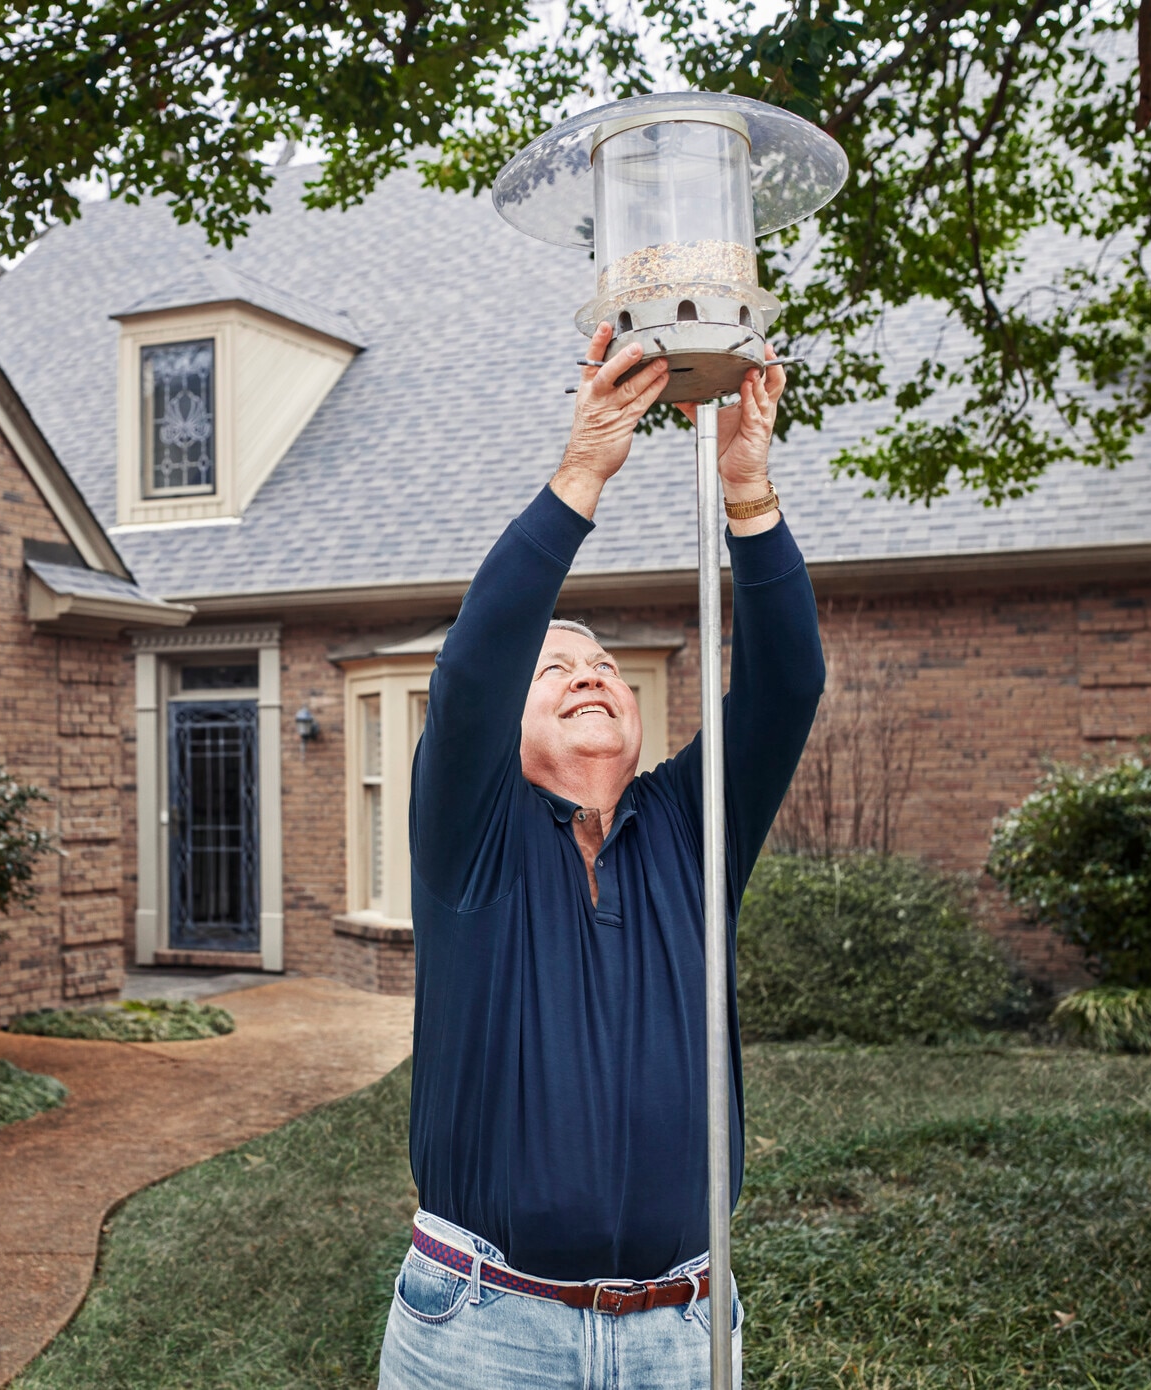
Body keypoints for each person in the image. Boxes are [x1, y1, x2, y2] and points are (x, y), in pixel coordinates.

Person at [379, 324, 825, 1388]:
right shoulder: (470, 838)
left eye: (607, 665)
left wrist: (747, 493)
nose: (589, 674)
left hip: (685, 1329)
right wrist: (585, 467)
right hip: (485, 1329)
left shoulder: (690, 825)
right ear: (508, 726)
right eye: (557, 668)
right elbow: (477, 662)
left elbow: (786, 687)